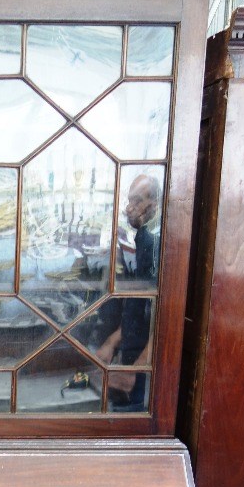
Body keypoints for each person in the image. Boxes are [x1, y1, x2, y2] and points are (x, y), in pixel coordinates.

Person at [95, 173, 160, 410]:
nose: (129, 209)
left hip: (145, 370)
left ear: (153, 206)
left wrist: (137, 369)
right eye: (129, 202)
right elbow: (137, 307)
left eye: (137, 201)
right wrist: (113, 342)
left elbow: (163, 321)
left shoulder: (157, 246)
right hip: (132, 360)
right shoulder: (140, 240)